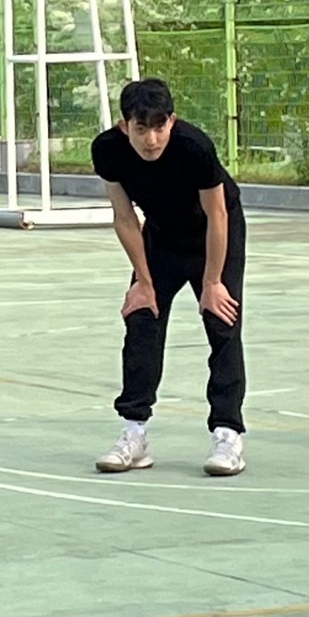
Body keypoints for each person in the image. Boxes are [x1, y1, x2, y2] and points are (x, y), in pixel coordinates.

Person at [90, 77, 247, 477]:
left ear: (172, 122)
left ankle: (227, 434)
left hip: (213, 234)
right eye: (141, 128)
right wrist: (144, 283)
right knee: (142, 317)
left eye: (160, 127)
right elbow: (125, 217)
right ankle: (134, 433)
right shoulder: (108, 150)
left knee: (222, 320)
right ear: (125, 126)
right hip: (161, 235)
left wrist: (212, 283)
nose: (152, 140)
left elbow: (218, 214)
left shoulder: (194, 147)